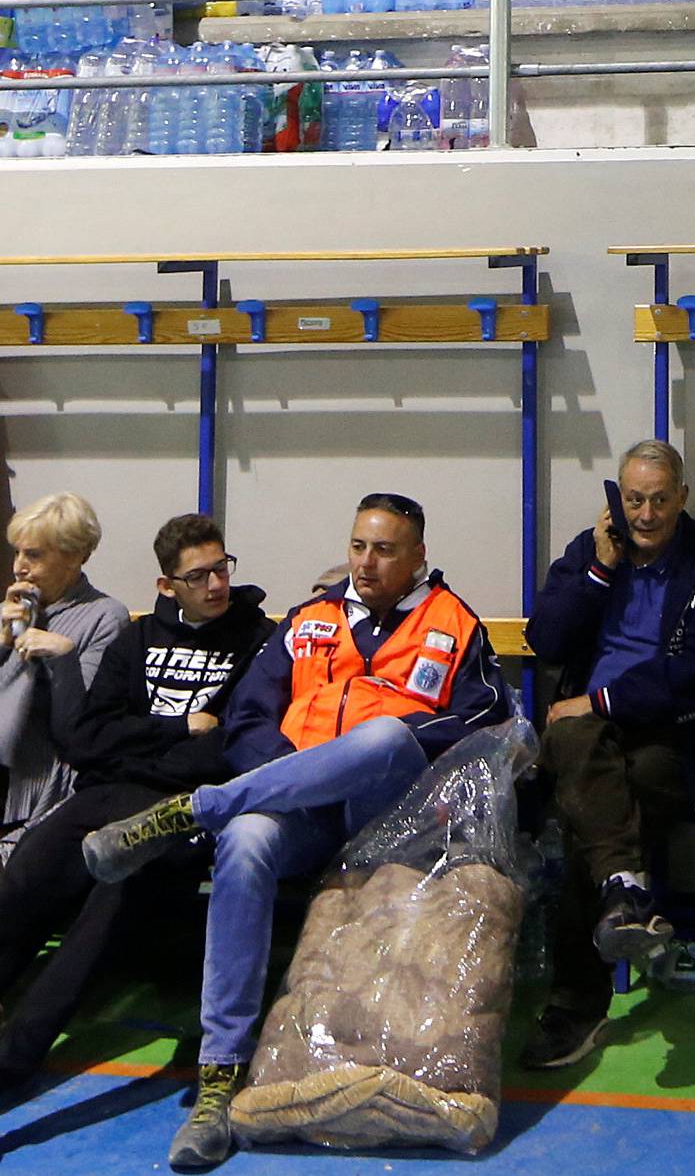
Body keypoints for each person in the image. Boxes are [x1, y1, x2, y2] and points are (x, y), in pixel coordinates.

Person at [82, 491, 512, 1174]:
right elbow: (251, 716)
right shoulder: (308, 621)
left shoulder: (454, 623)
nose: (367, 563)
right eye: (359, 546)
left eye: (386, 550)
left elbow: (483, 722)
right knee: (246, 840)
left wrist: (378, 749)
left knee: (382, 735)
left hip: (390, 813)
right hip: (300, 814)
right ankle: (220, 1076)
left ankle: (194, 809)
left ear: (419, 557)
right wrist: (294, 774)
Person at [0, 512, 272, 1096]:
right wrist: (178, 728)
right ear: (166, 585)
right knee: (26, 880)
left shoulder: (258, 641)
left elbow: (234, 745)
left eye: (221, 568)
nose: (216, 585)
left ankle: (13, 1057)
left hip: (186, 807)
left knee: (109, 906)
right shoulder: (139, 636)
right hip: (106, 791)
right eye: (197, 576)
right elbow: (86, 737)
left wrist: (149, 742)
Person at [521, 439, 695, 1071]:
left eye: (659, 500)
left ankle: (575, 1007)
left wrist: (601, 702)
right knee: (571, 744)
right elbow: (547, 641)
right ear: (617, 499)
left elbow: (694, 672)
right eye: (634, 499)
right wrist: (598, 571)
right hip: (589, 739)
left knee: (587, 817)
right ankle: (625, 891)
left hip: (676, 739)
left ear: (683, 499)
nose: (645, 515)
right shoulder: (590, 551)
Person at [0, 492, 129, 858]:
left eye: (34, 555)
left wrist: (63, 660)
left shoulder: (105, 617)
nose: (19, 567)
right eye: (18, 553)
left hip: (39, 787)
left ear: (74, 557)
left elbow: (77, 732)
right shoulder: (9, 613)